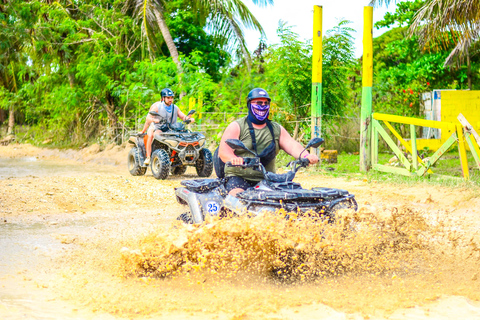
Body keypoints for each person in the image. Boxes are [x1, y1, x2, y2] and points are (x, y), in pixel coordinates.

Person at [218, 88, 319, 196]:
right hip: (239, 178)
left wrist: (306, 155)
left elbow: (292, 145)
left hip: (267, 179)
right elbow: (224, 152)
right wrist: (235, 159)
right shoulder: (237, 126)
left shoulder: (276, 129)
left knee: (290, 199)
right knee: (237, 199)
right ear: (249, 104)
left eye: (266, 103)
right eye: (259, 102)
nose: (262, 105)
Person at [140, 88, 194, 165]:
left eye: (171, 97)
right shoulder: (157, 107)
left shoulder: (175, 107)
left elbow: (183, 117)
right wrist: (154, 120)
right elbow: (148, 118)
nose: (170, 99)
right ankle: (148, 157)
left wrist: (189, 119)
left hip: (172, 129)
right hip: (159, 128)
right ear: (163, 98)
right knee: (152, 135)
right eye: (168, 98)